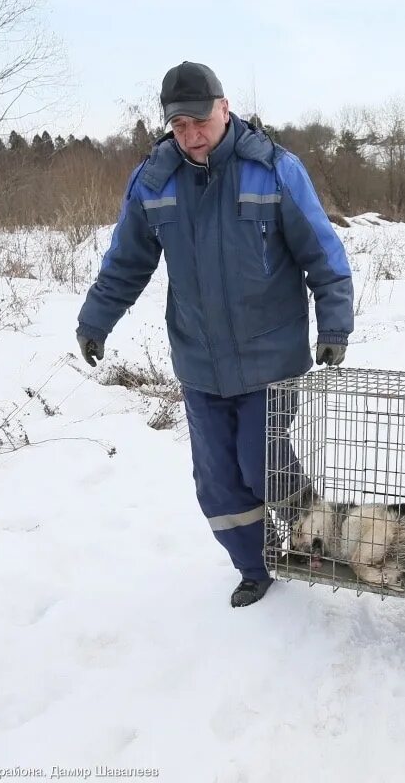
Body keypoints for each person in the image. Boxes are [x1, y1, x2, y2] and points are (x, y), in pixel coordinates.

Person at [76, 61, 354, 608]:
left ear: (224, 110)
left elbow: (322, 252)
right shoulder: (154, 181)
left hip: (271, 355)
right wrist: (95, 319)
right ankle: (255, 564)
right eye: (179, 126)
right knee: (218, 479)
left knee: (259, 460)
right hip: (199, 361)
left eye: (200, 121)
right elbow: (127, 262)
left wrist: (335, 323)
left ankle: (315, 531)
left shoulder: (274, 170)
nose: (191, 135)